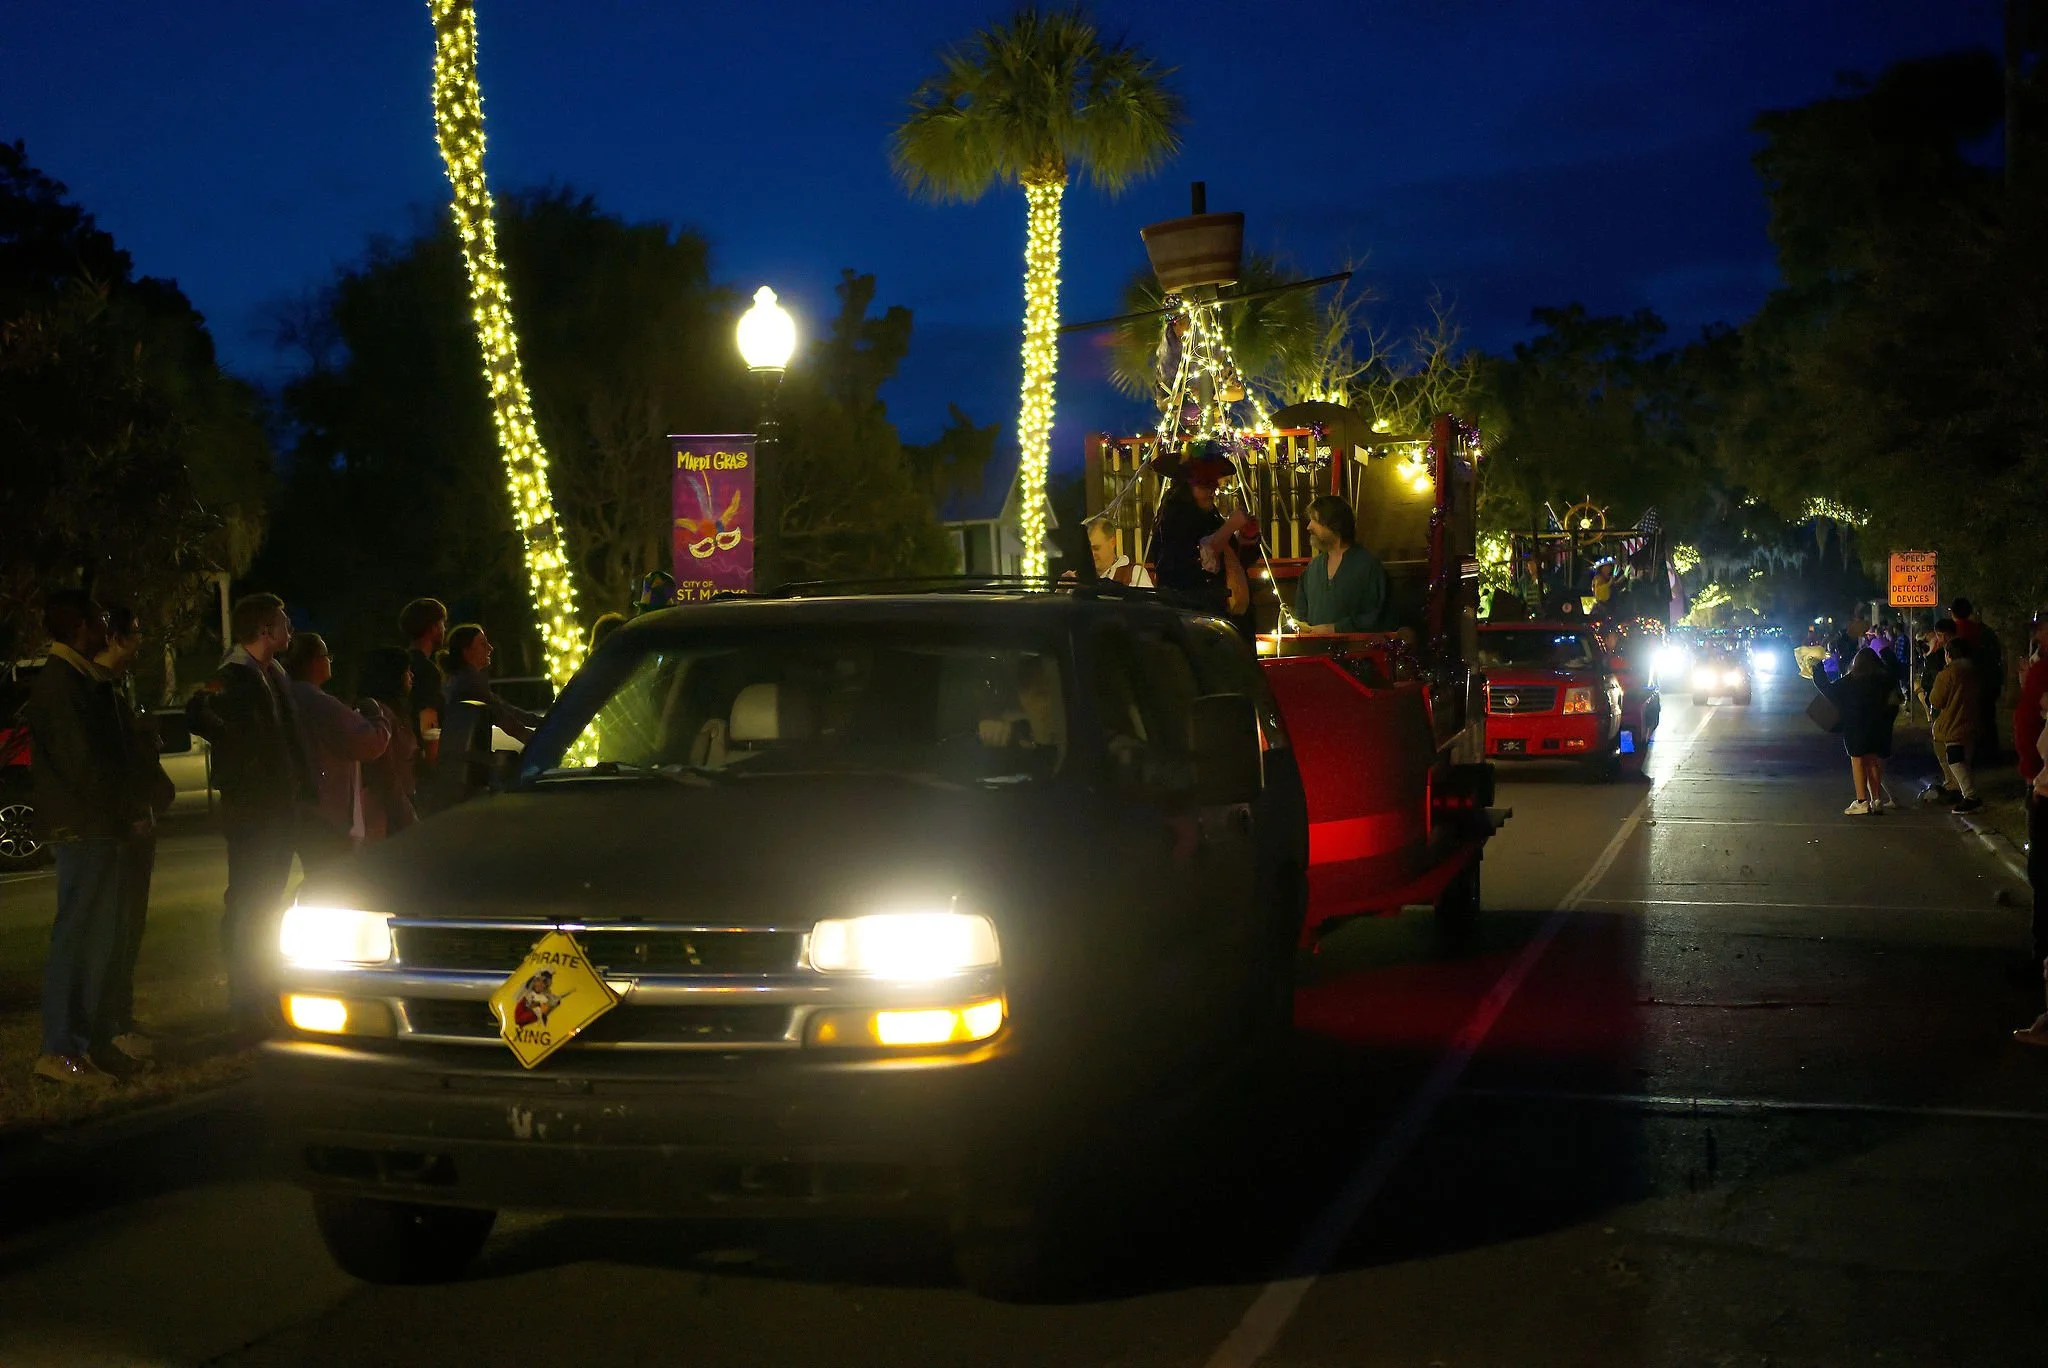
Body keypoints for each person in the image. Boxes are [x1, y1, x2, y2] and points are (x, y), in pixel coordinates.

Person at [25, 590, 151, 1087]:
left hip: (98, 826)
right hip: (86, 828)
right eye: (99, 620)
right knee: (79, 938)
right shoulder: (62, 685)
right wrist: (127, 811)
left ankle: (91, 1043)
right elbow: (86, 766)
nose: (107, 629)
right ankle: (60, 1050)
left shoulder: (79, 679)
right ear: (81, 628)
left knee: (101, 939)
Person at [186, 592, 315, 1032]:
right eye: (283, 622)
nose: (289, 629)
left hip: (279, 805)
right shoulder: (233, 676)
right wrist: (242, 759)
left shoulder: (272, 673)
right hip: (252, 808)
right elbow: (200, 713)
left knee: (268, 902)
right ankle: (247, 1000)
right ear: (264, 630)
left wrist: (303, 786)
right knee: (248, 902)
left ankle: (263, 993)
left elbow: (289, 735)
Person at [96, 605, 173, 1066]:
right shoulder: (98, 689)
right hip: (124, 825)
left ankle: (121, 1016)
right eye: (137, 632)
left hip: (137, 816)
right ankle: (111, 1022)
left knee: (132, 924)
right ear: (117, 637)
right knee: (117, 926)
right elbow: (108, 761)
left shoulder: (116, 687)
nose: (142, 641)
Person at [283, 633, 390, 870]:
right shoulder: (319, 703)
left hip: (301, 806)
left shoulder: (286, 697)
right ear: (313, 662)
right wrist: (377, 717)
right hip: (326, 810)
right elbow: (367, 742)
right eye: (325, 655)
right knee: (333, 878)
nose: (329, 661)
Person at [1813, 647, 1901, 816]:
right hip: (1878, 727)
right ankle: (1876, 800)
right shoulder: (1884, 681)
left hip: (1856, 728)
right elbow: (1895, 671)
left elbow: (1827, 689)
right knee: (1873, 761)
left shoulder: (1849, 681)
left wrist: (1818, 669)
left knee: (1858, 761)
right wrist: (1886, 652)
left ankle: (1861, 801)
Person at [1293, 494, 1389, 635]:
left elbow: (1376, 616)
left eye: (1315, 520)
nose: (1309, 527)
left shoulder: (1367, 565)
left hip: (1355, 652)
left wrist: (1334, 629)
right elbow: (1301, 613)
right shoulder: (1313, 568)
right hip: (1314, 652)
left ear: (1335, 524)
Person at [354, 647, 419, 842]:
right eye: (406, 670)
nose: (411, 675)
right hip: (387, 812)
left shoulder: (394, 711)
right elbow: (386, 772)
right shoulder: (378, 714)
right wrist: (407, 815)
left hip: (399, 803)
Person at [1927, 636, 1984, 814]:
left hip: (1953, 722)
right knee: (1965, 760)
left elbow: (1936, 700)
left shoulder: (1947, 674)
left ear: (1949, 654)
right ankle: (1968, 794)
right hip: (1972, 720)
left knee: (1955, 759)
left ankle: (1971, 797)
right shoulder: (1974, 671)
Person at [399, 597, 448, 775]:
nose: (444, 629)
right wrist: (433, 764)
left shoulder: (402, 663)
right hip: (420, 762)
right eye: (442, 624)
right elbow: (428, 720)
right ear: (432, 628)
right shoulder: (428, 670)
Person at [1952, 597, 2004, 761]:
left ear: (1953, 613)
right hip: (1990, 680)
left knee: (1972, 718)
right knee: (1988, 717)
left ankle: (1977, 755)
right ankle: (1991, 752)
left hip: (1972, 681)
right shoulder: (1984, 631)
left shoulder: (1957, 632)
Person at [1085, 518, 1153, 587]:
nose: (1091, 553)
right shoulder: (1081, 577)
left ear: (1112, 542)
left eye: (1096, 548)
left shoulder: (1134, 574)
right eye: (1087, 549)